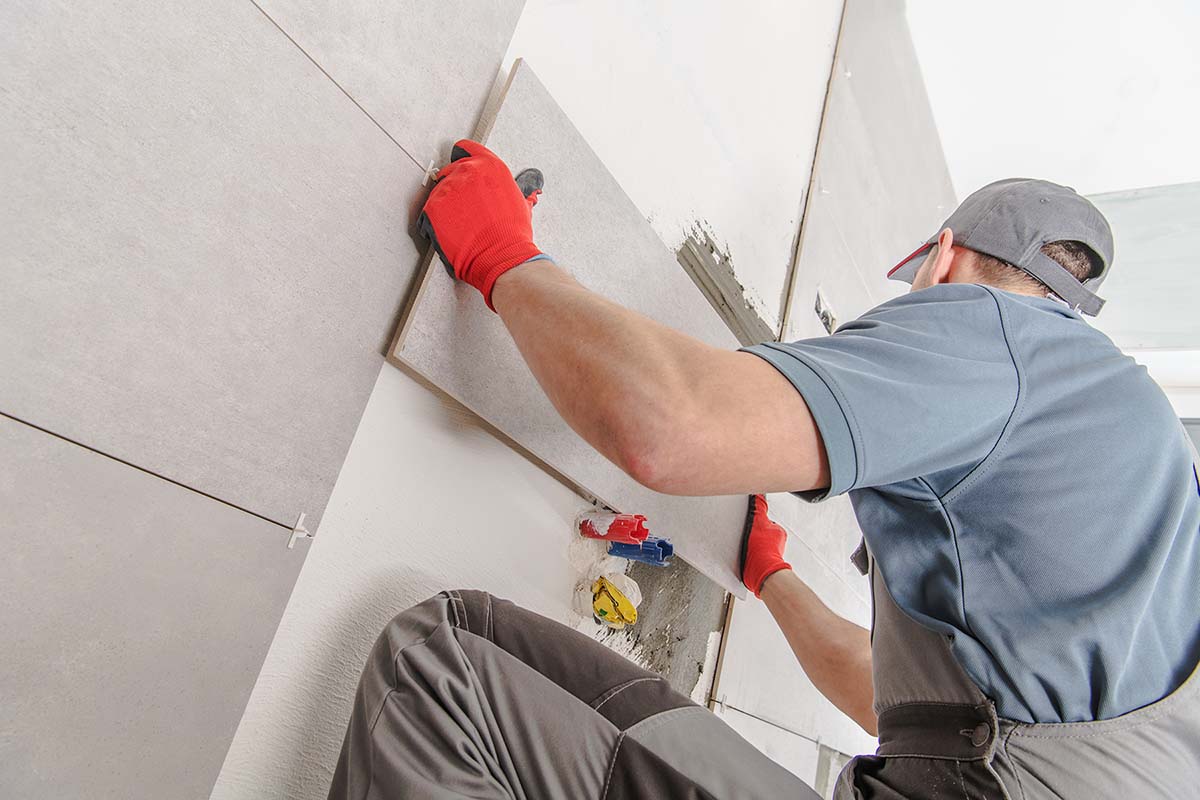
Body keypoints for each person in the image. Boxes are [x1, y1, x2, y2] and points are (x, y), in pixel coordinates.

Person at [328, 141, 1200, 799]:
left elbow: (670, 427)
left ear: (943, 264)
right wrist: (773, 576)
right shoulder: (1147, 478)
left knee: (438, 669)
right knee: (475, 648)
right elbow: (886, 705)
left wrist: (500, 257)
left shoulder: (1007, 338)